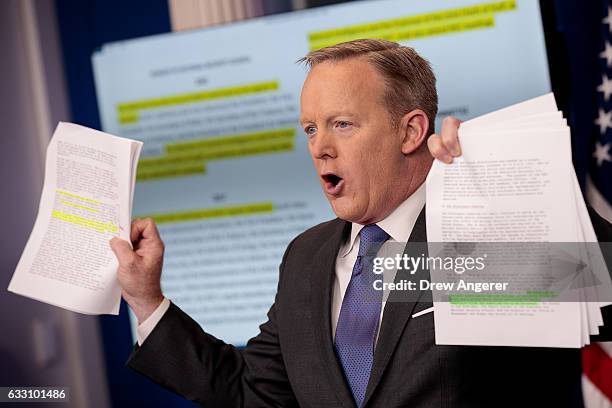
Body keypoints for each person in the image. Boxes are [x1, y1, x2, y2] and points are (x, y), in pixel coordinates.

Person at [110, 39, 612, 407]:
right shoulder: (304, 256)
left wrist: (517, 188)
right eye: (310, 128)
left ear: (411, 130)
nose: (319, 147)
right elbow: (252, 394)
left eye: (342, 124)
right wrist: (146, 299)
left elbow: (603, 292)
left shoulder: (479, 227)